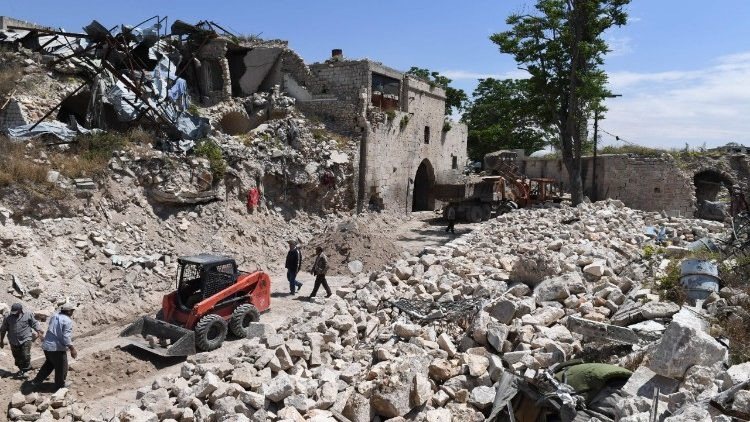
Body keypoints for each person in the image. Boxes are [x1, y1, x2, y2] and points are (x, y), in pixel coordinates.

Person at [32, 303, 77, 390]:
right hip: (56, 348)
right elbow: (66, 337)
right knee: (62, 367)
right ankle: (60, 386)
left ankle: (36, 382)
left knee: (49, 364)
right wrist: (72, 349)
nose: (72, 312)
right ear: (68, 311)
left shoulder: (54, 316)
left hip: (47, 345)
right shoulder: (67, 321)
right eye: (72, 311)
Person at [0, 303, 44, 378]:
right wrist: (1, 340)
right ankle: (21, 370)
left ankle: (25, 370)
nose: (14, 314)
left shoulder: (28, 315)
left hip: (25, 338)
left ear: (20, 310)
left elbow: (34, 323)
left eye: (16, 312)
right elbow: (3, 329)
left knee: (25, 355)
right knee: (17, 357)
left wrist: (39, 331)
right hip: (13, 340)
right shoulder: (8, 317)